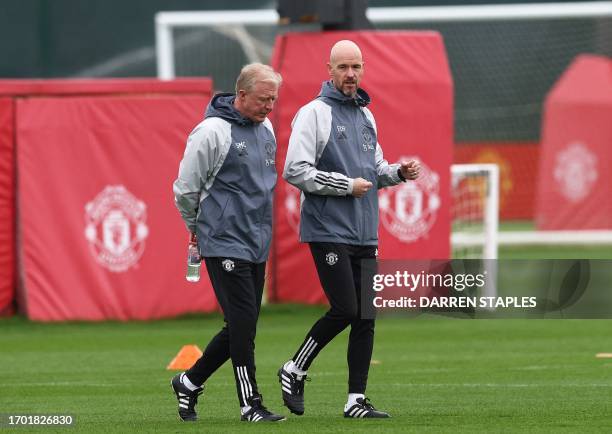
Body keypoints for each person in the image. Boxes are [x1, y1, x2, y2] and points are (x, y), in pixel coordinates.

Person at [278, 40, 421, 419]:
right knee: (344, 308)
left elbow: (374, 172)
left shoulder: (366, 117)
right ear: (329, 70)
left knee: (366, 316)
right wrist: (345, 185)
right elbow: (295, 170)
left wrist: (397, 174)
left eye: (356, 66)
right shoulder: (314, 113)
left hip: (364, 231)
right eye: (343, 67)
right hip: (328, 227)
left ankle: (355, 400)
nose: (350, 74)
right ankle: (294, 369)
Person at [172, 63, 284, 423]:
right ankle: (250, 404)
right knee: (242, 323)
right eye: (264, 99)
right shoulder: (211, 132)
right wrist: (198, 228)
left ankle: (189, 382)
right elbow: (185, 189)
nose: (269, 106)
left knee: (242, 324)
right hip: (223, 241)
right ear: (241, 95)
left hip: (256, 242)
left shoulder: (266, 129)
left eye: (273, 99)